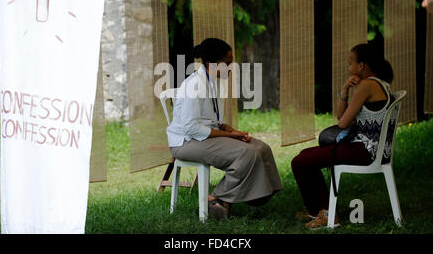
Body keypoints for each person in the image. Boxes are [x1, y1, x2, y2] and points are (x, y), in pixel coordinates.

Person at [166, 38, 283, 218]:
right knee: (246, 153)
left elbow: (213, 120)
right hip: (186, 142)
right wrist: (228, 136)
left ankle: (250, 197)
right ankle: (216, 198)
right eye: (227, 63)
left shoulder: (214, 82)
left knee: (262, 148)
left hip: (202, 137)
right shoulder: (194, 85)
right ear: (210, 64)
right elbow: (190, 128)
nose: (231, 67)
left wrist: (231, 131)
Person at [291, 43, 395, 229]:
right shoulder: (380, 83)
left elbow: (342, 123)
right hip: (371, 148)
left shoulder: (367, 85)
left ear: (361, 66)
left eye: (350, 64)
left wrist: (348, 93)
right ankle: (318, 210)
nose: (348, 68)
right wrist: (345, 91)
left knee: (300, 162)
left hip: (365, 150)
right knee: (305, 155)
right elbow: (342, 117)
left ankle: (327, 215)